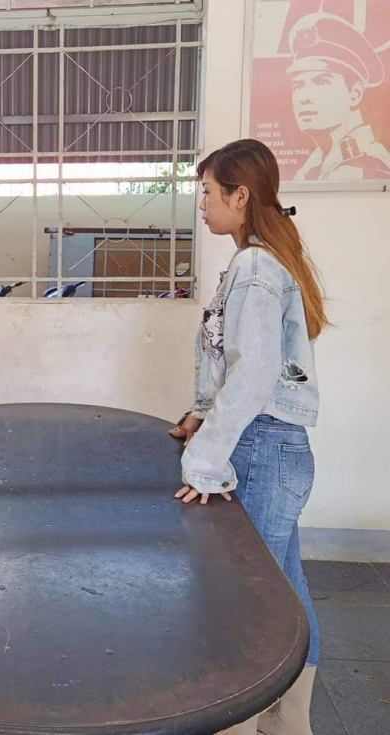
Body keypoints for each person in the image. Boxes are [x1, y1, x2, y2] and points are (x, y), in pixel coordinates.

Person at [169, 139, 327, 735]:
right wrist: (200, 413)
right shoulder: (260, 260)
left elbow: (255, 371)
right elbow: (238, 363)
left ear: (240, 196)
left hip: (261, 449)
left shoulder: (256, 267)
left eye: (208, 192)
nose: (202, 204)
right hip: (276, 446)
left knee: (247, 597)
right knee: (285, 589)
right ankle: (287, 720)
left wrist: (205, 462)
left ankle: (248, 719)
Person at [288, 12, 390, 181]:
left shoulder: (365, 164)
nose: (304, 97)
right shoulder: (314, 165)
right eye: (298, 85)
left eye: (321, 82)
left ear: (355, 94)